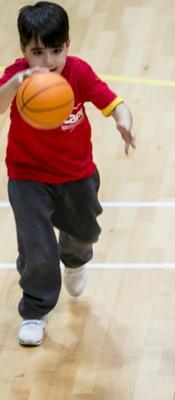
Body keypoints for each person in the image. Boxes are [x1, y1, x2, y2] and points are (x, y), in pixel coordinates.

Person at [0, 1, 136, 346]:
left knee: (84, 231)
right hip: (27, 176)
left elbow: (114, 102)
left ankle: (75, 260)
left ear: (68, 46)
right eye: (37, 52)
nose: (47, 62)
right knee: (36, 246)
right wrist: (16, 83)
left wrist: (124, 120)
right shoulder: (17, 76)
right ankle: (35, 310)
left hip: (76, 174)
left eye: (55, 51)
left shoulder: (77, 72)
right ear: (23, 51)